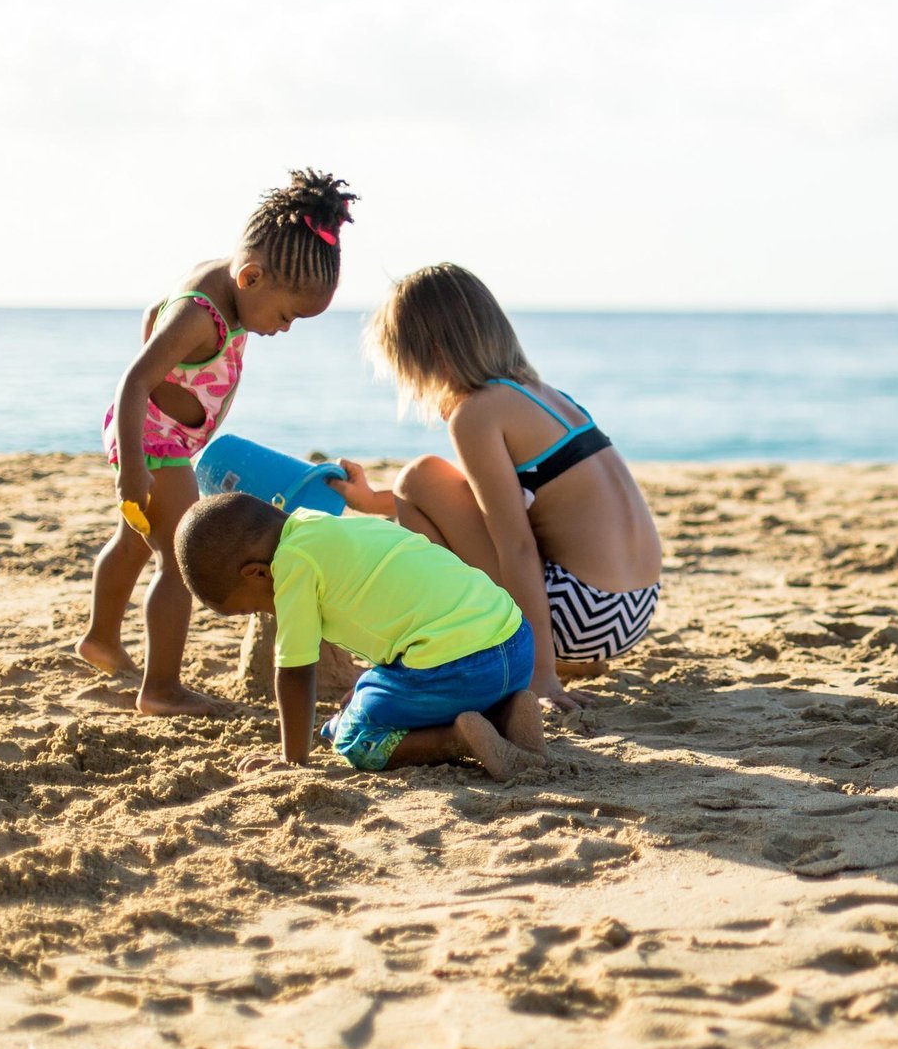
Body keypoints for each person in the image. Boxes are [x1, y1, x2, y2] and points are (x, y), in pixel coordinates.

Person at [72, 170, 359, 716]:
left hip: (160, 434)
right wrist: (135, 466)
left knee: (134, 541)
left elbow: (148, 316)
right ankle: (161, 688)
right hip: (153, 441)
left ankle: (100, 638)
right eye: (287, 314)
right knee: (177, 559)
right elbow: (134, 380)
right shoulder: (199, 315)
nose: (285, 328)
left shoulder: (227, 282)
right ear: (251, 278)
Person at [333, 263, 661, 708]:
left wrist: (540, 677)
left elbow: (518, 547)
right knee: (422, 484)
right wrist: (373, 501)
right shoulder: (541, 394)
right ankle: (560, 657)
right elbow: (486, 499)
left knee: (418, 478)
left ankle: (443, 649)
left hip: (582, 615)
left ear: (430, 353)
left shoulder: (476, 413)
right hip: (632, 610)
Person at [175, 493, 546, 778]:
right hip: (515, 645)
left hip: (457, 669)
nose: (265, 613)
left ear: (256, 574)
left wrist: (293, 761)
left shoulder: (291, 566)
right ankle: (506, 713)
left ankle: (460, 738)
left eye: (252, 608)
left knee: (354, 736)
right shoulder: (324, 527)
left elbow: (295, 672)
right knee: (368, 688)